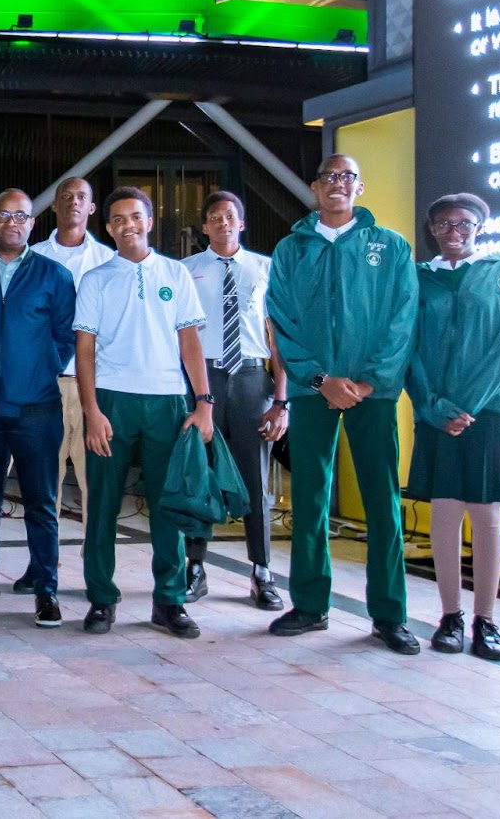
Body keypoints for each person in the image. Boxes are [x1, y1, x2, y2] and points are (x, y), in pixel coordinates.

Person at [267, 154, 420, 653]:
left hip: (373, 394)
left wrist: (371, 382)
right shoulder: (292, 249)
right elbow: (282, 320)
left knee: (383, 501)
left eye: (347, 177)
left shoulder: (390, 246)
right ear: (314, 187)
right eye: (329, 177)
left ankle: (389, 615)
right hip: (315, 392)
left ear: (360, 185)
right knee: (309, 499)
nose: (338, 184)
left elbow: (403, 319)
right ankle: (310, 605)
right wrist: (318, 377)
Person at [75, 187, 214, 639]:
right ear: (108, 227)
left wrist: (203, 403)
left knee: (167, 506)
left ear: (150, 221)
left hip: (168, 402)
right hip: (113, 401)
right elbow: (85, 350)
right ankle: (101, 598)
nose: (126, 225)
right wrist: (91, 410)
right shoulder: (96, 280)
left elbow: (190, 342)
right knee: (102, 506)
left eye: (135, 216)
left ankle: (169, 601)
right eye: (117, 219)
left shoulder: (175, 273)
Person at [407, 193, 500, 662]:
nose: (454, 232)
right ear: (432, 230)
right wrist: (435, 407)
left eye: (463, 224)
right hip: (437, 413)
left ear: (479, 227)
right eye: (443, 224)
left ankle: (487, 621)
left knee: (486, 514)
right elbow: (408, 350)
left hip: (492, 411)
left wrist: (465, 406)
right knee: (444, 512)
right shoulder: (419, 279)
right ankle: (450, 617)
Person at [0, 189, 75, 623]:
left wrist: (39, 370)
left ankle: (46, 590)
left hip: (37, 407)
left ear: (32, 223)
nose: (13, 221)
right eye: (4, 214)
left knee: (41, 502)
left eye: (21, 215)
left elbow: (65, 336)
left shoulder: (54, 275)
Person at [180, 191, 289, 609]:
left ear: (241, 223)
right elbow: (183, 334)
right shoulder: (186, 270)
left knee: (254, 480)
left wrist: (282, 401)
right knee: (199, 476)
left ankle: (261, 571)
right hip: (202, 378)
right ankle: (194, 567)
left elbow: (277, 338)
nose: (223, 223)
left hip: (249, 377)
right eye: (214, 217)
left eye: (230, 216)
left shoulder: (266, 269)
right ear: (204, 227)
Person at [32, 177, 115, 558]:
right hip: (42, 383)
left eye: (82, 196)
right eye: (65, 196)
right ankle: (42, 563)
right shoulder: (32, 259)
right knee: (42, 480)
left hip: (92, 386)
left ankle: (95, 561)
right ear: (54, 206)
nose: (73, 202)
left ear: (92, 208)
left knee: (94, 480)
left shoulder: (109, 263)